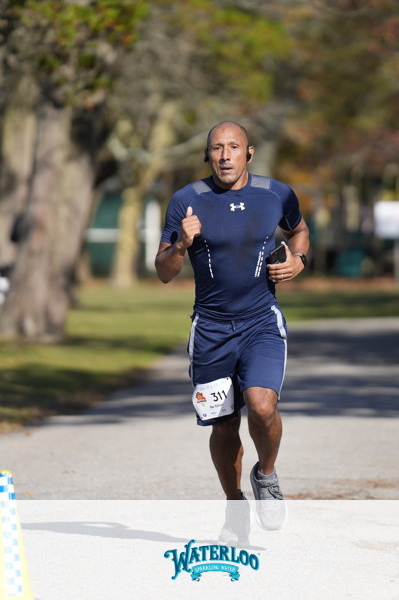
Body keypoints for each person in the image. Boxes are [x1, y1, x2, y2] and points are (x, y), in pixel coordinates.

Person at [155, 121, 309, 535]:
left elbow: (299, 230)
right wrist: (181, 245)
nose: (225, 156)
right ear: (207, 155)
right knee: (223, 424)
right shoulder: (186, 200)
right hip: (210, 329)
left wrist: (298, 260)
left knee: (262, 405)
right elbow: (164, 271)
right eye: (217, 148)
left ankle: (267, 475)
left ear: (249, 153)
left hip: (261, 322)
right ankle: (234, 506)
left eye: (234, 147)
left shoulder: (276, 194)